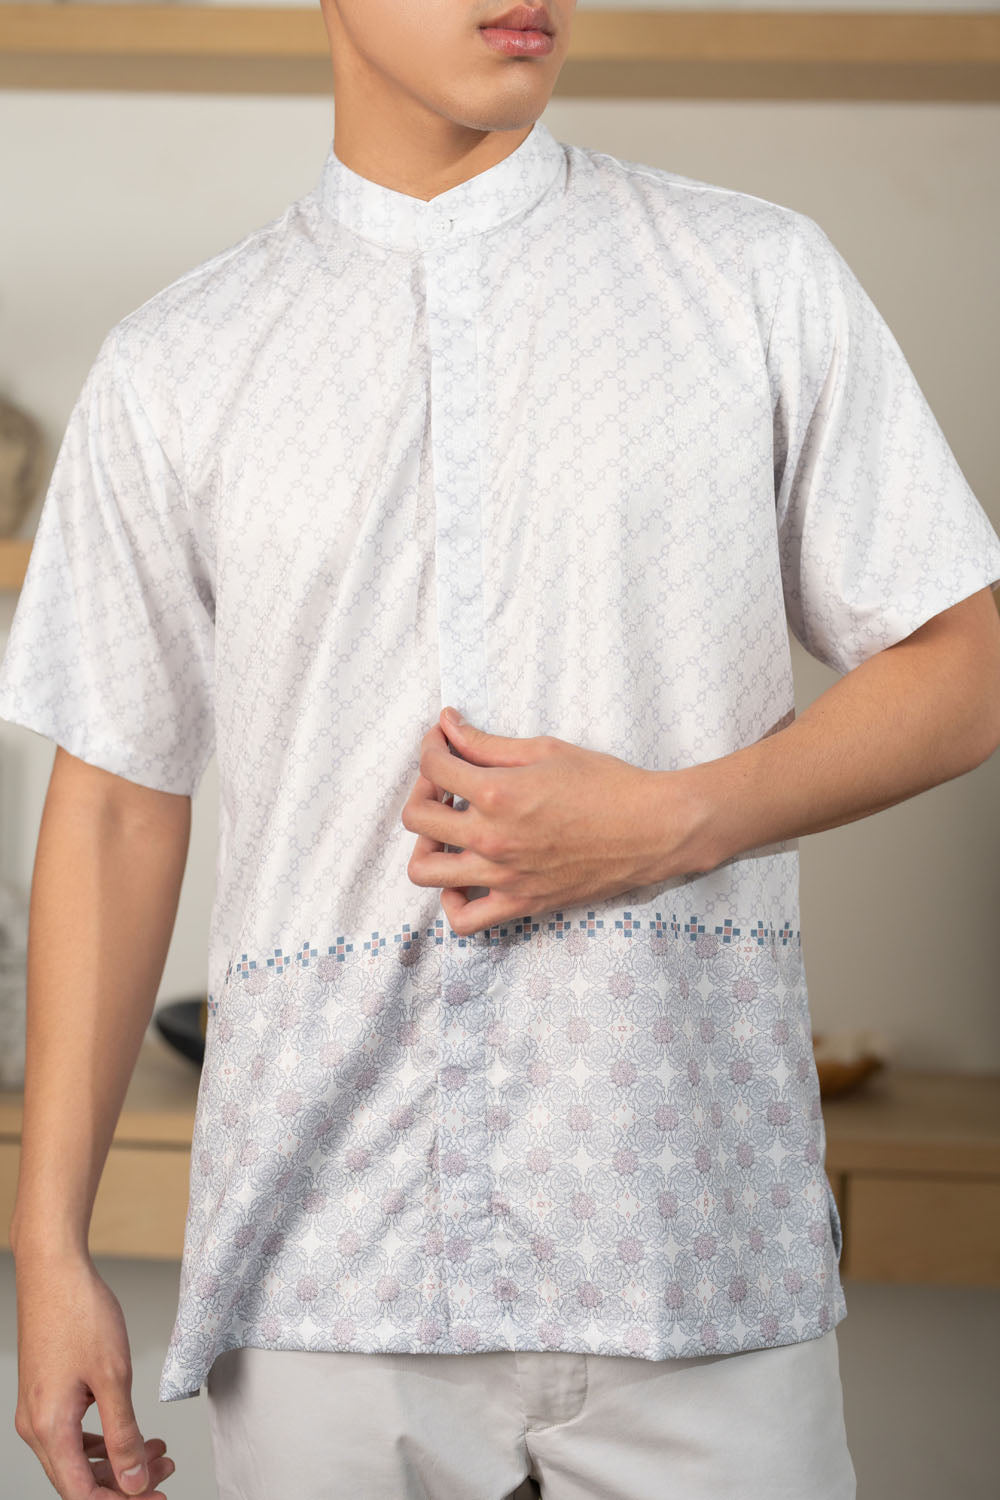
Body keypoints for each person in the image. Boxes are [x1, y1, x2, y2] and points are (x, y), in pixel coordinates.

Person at [5, 1, 1000, 1496]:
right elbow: (113, 807)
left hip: (690, 1232)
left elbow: (966, 666)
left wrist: (677, 818)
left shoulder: (754, 278)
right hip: (323, 1262)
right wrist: (48, 1244)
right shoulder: (178, 365)